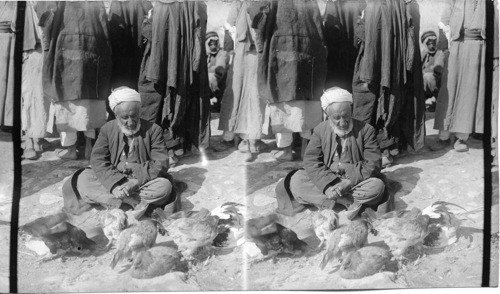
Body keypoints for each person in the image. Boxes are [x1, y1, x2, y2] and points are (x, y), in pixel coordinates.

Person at [275, 87, 390, 220]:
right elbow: (311, 161)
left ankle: (331, 200)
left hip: (355, 181)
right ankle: (345, 202)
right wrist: (327, 187)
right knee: (296, 181)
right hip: (327, 179)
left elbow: (373, 163)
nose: (342, 122)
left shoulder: (367, 130)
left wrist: (348, 182)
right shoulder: (320, 130)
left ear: (351, 112)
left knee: (377, 187)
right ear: (327, 116)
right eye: (336, 118)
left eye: (346, 116)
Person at [75, 87, 173, 219]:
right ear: (116, 116)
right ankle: (127, 201)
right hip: (115, 178)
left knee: (164, 187)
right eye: (125, 117)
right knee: (83, 180)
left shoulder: (154, 130)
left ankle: (115, 200)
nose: (130, 122)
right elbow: (98, 160)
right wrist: (114, 185)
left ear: (140, 112)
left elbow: (161, 163)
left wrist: (135, 182)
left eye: (134, 116)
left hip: (142, 182)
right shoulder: (107, 129)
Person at [35, 1, 112, 160]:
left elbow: (44, 17)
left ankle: (71, 149)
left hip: (64, 51)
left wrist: (49, 44)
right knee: (90, 101)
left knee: (66, 100)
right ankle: (90, 147)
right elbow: (105, 30)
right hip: (91, 51)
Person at [432, 0, 486, 152]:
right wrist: (443, 52)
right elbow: (443, 24)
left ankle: (461, 138)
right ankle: (443, 136)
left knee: (469, 94)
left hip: (478, 49)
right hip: (455, 48)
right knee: (448, 91)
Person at [421, 30, 445, 112]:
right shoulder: (423, 53)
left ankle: (437, 100)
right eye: (429, 44)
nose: (431, 46)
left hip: (436, 83)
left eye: (433, 43)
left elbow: (438, 68)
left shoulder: (440, 53)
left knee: (428, 76)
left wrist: (426, 71)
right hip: (424, 83)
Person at [206, 31, 230, 113]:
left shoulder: (222, 53)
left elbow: (220, 67)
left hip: (218, 84)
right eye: (211, 44)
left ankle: (217, 103)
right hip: (209, 82)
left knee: (211, 77)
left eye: (215, 44)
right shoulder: (205, 54)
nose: (213, 46)